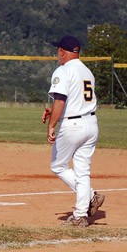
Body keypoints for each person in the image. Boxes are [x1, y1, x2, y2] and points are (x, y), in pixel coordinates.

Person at [41, 35, 105, 227]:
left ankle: (91, 196)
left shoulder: (63, 70)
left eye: (58, 50)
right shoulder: (87, 72)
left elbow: (60, 100)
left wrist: (52, 125)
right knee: (83, 171)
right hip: (91, 124)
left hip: (72, 127)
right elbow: (76, 101)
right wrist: (54, 113)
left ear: (62, 51)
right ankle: (80, 216)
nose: (57, 54)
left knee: (58, 165)